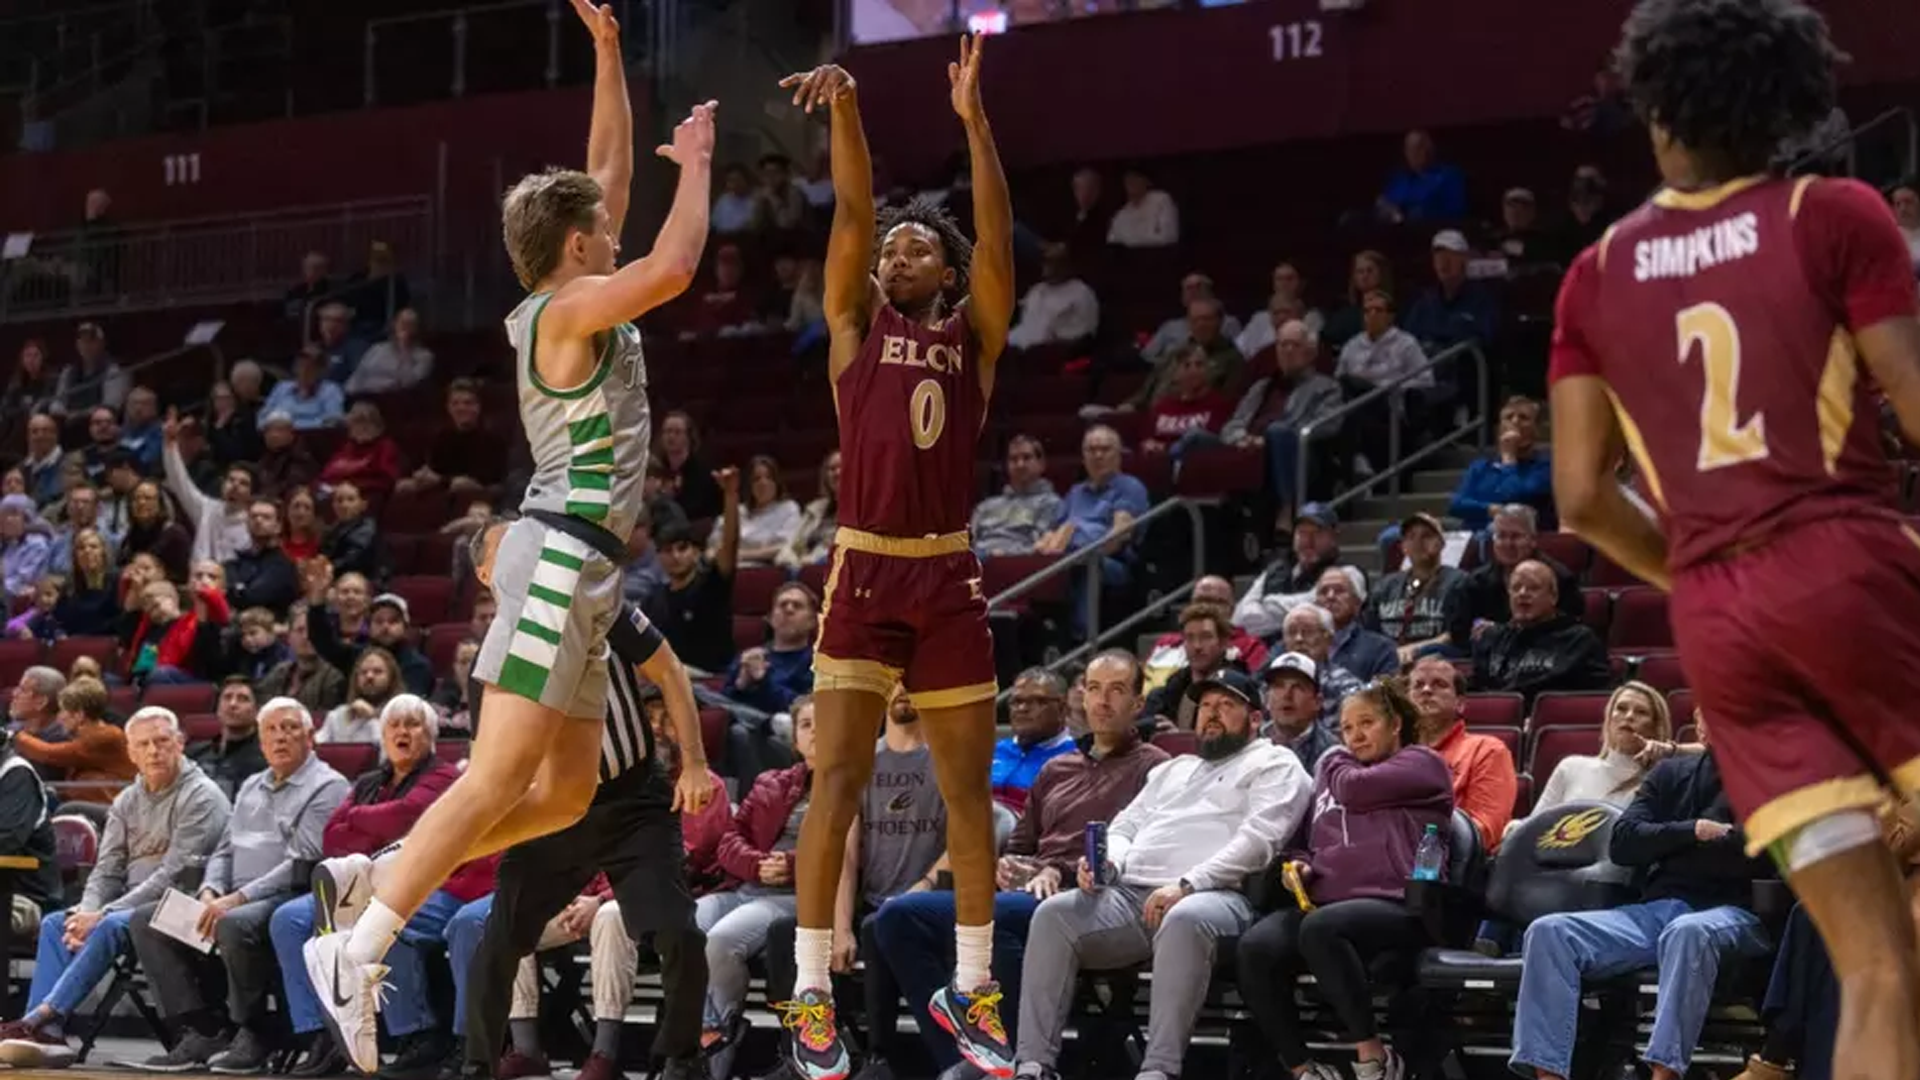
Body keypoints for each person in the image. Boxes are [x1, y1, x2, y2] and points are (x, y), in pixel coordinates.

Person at [301, 3, 719, 1071]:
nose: (614, 223)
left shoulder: (570, 287)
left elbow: (607, 175)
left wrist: (612, 54)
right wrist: (703, 163)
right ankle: (361, 945)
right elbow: (671, 263)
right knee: (495, 781)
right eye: (601, 226)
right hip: (557, 555)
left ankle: (380, 871)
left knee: (565, 793)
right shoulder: (570, 311)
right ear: (576, 245)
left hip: (580, 566)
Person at [1548, 3, 1920, 1078]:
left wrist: (1708, 573)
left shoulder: (1597, 271)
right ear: (1783, 108)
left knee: (1879, 963)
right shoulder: (1833, 212)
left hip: (1719, 626)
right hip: (1847, 565)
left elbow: (1581, 496)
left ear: (1654, 104)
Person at [775, 36, 1016, 1080]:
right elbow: (853, 214)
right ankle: (811, 994)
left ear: (950, 273)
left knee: (969, 793)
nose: (897, 255)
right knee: (835, 781)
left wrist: (974, 124)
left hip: (949, 571)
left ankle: (973, 989)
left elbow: (1000, 236)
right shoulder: (849, 327)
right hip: (865, 569)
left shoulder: (977, 336)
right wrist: (848, 112)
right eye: (893, 251)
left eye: (921, 248)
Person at [452, 517, 717, 1080]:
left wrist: (694, 762)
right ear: (486, 574)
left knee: (680, 933)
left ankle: (680, 1058)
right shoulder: (491, 662)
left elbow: (669, 671)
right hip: (554, 813)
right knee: (497, 942)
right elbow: (491, 765)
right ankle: (476, 1065)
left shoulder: (599, 602)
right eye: (511, 551)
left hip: (633, 801)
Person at [1234, 678, 1454, 1080]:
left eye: (1366, 723)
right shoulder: (1336, 775)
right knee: (1255, 946)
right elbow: (1302, 840)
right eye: (1347, 728)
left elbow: (1354, 789)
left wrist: (1331, 757)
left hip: (1398, 903)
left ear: (1395, 726)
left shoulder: (1422, 764)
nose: (1354, 736)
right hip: (1325, 905)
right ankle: (1303, 1068)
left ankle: (1375, 1057)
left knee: (1321, 928)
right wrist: (1297, 866)